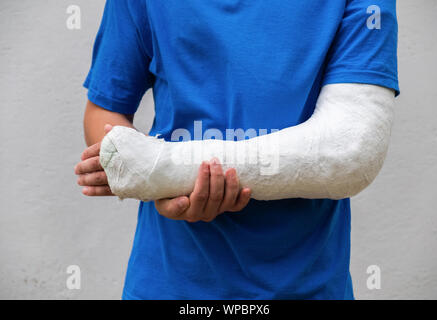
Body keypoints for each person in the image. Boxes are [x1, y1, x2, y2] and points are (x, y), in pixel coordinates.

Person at [74, 0, 399, 299]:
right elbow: (104, 110)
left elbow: (350, 151)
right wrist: (150, 178)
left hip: (309, 286)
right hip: (172, 283)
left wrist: (164, 172)